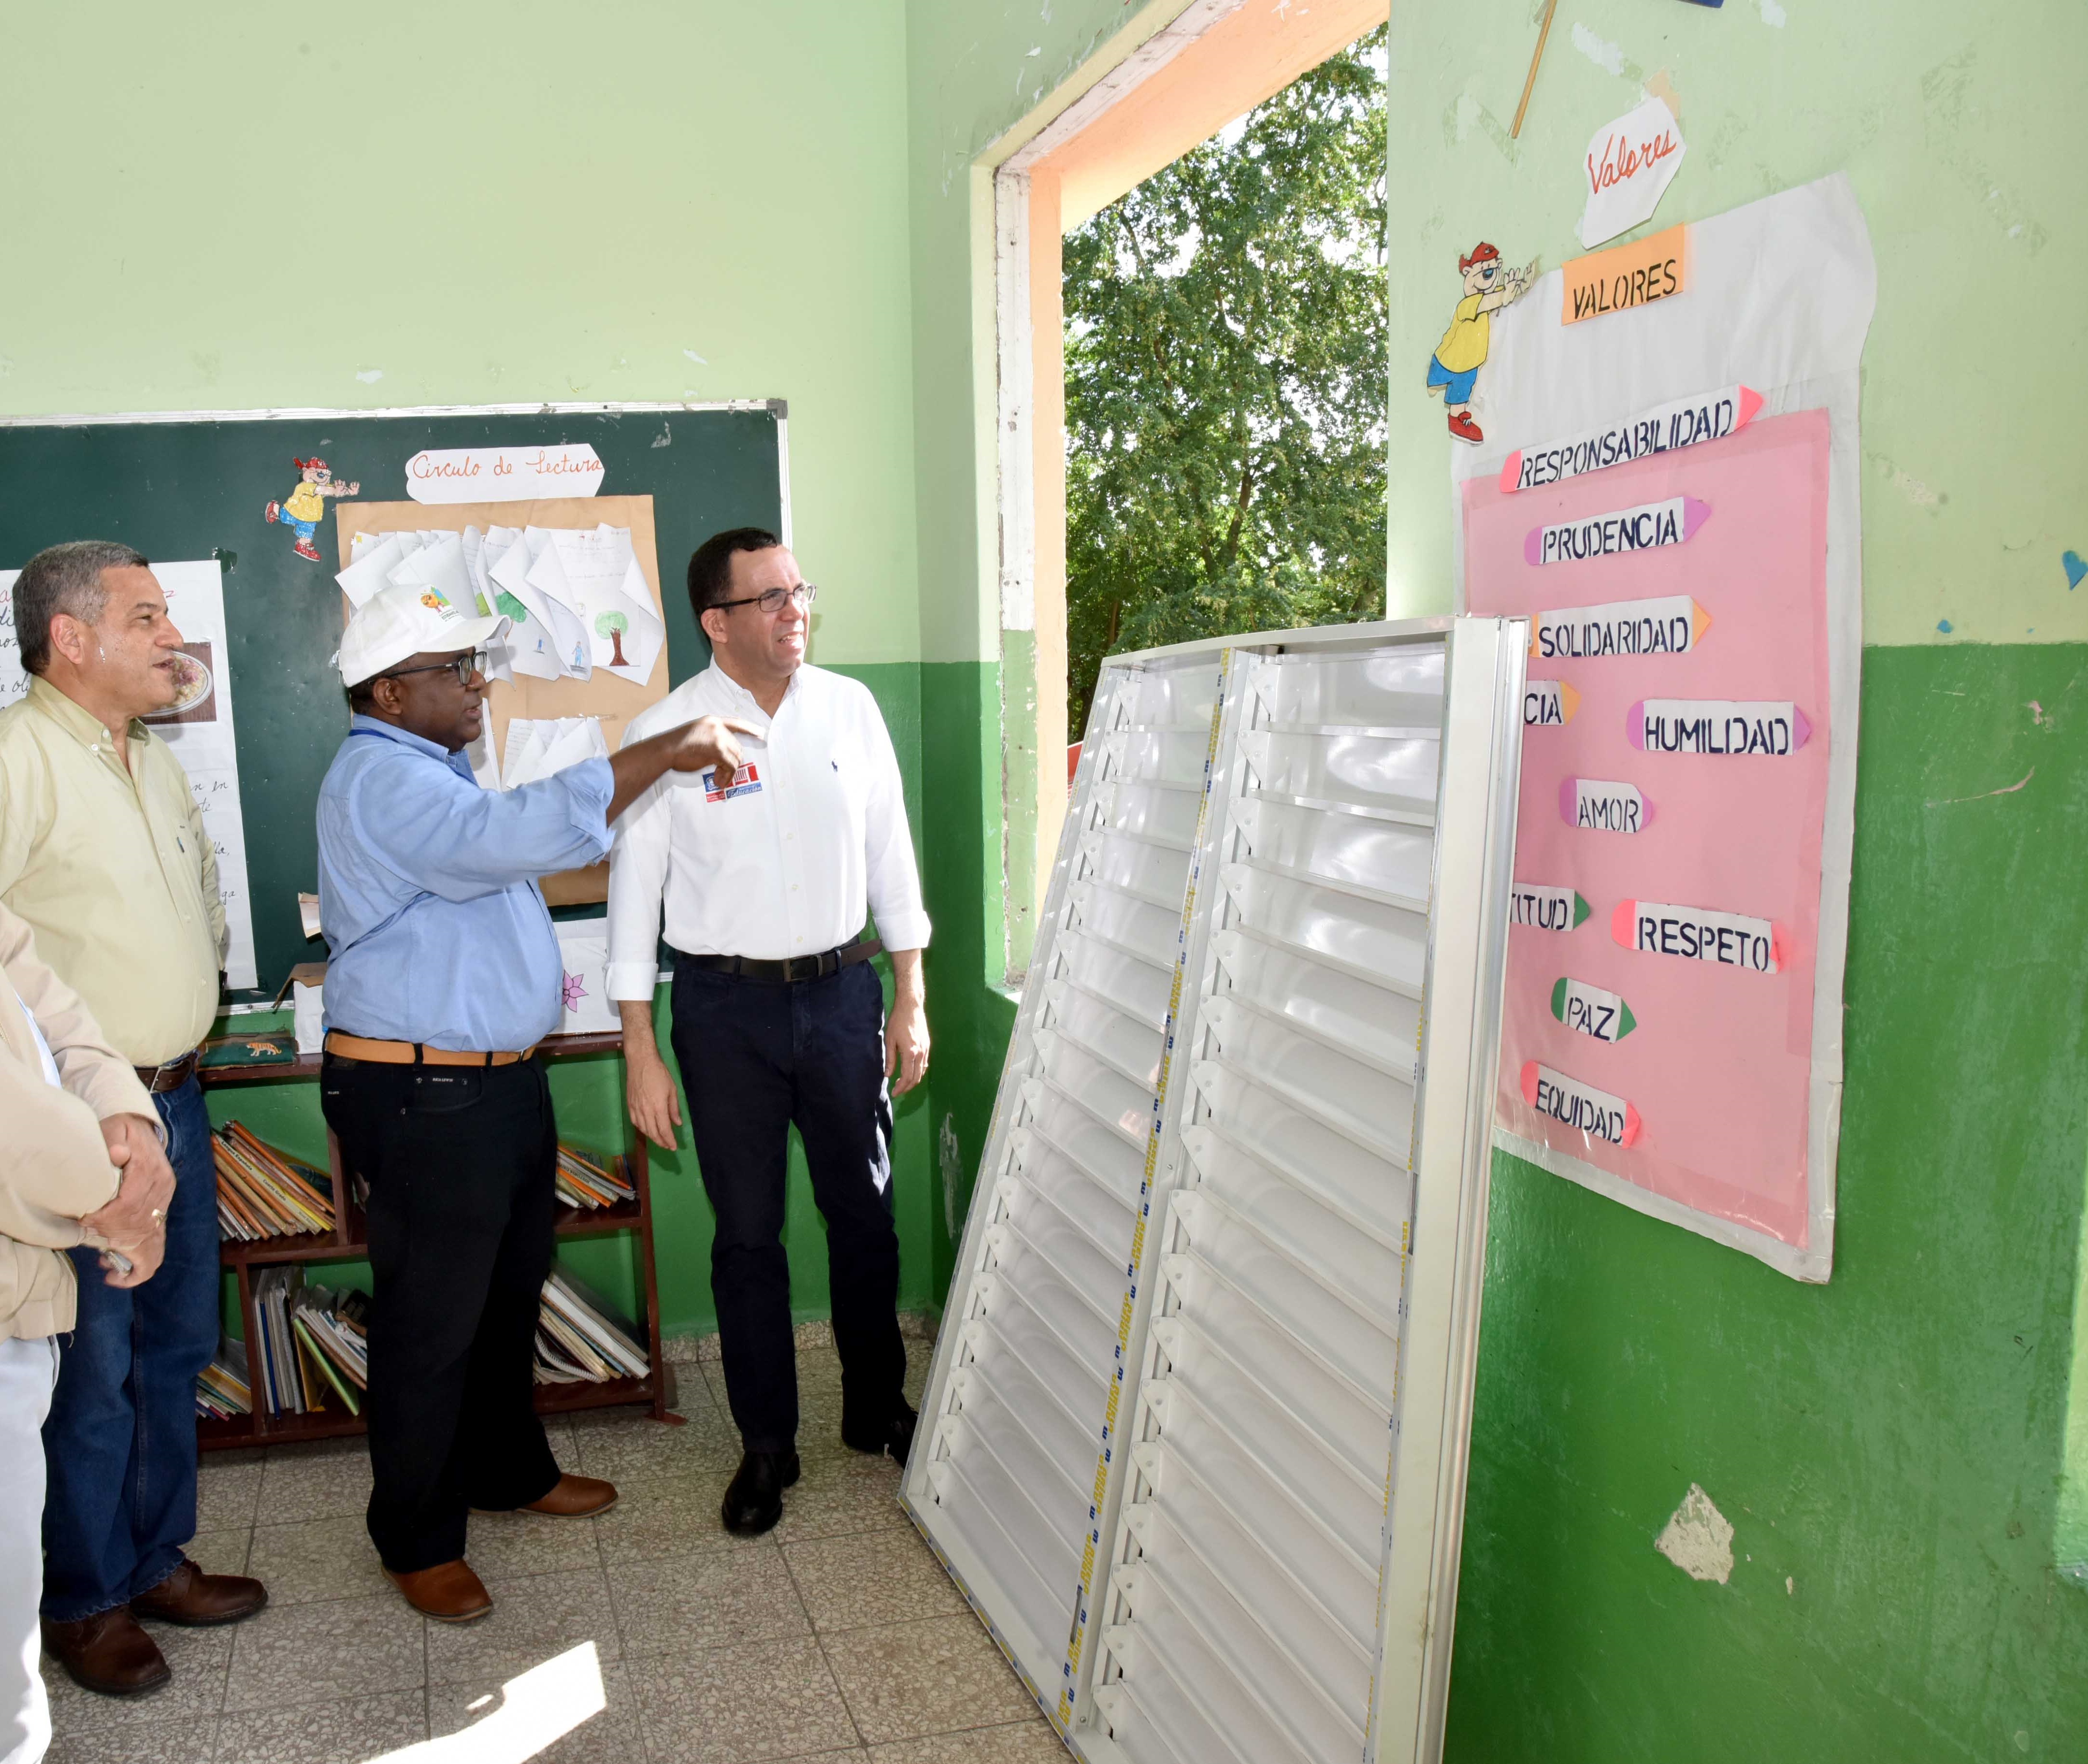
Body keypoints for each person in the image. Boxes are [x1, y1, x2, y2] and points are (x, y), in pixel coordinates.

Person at [317, 579, 754, 1622]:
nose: (475, 689)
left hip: (492, 1086)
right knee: (433, 1320)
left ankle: (506, 1472)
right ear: (386, 689)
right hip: (424, 1091)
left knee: (508, 1293)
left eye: (475, 667)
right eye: (452, 672)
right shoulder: (383, 779)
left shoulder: (441, 772)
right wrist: (665, 747)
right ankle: (415, 1537)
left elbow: (511, 841)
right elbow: (521, 837)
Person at [607, 527, 931, 1537]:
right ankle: (766, 1444)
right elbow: (635, 893)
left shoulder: (850, 708)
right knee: (747, 1239)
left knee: (864, 1216)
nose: (796, 610)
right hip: (724, 1012)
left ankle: (876, 1406)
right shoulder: (668, 731)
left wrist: (910, 993)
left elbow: (892, 854)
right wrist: (638, 1044)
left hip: (842, 996)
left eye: (800, 591)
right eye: (772, 598)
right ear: (718, 622)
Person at [0, 541, 268, 1699]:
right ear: (71, 637)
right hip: (78, 1133)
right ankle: (85, 1598)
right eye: (147, 616)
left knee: (172, 1349)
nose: (175, 638)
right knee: (89, 1375)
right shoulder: (15, 761)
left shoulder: (151, 761)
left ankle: (155, 1561)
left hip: (178, 1099)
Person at [2, 901, 176, 1756]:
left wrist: (127, 1116)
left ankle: (148, 1564)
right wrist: (118, 1202)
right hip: (42, 1210)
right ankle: (87, 1598)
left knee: (158, 1365)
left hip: (93, 1156)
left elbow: (44, 998)